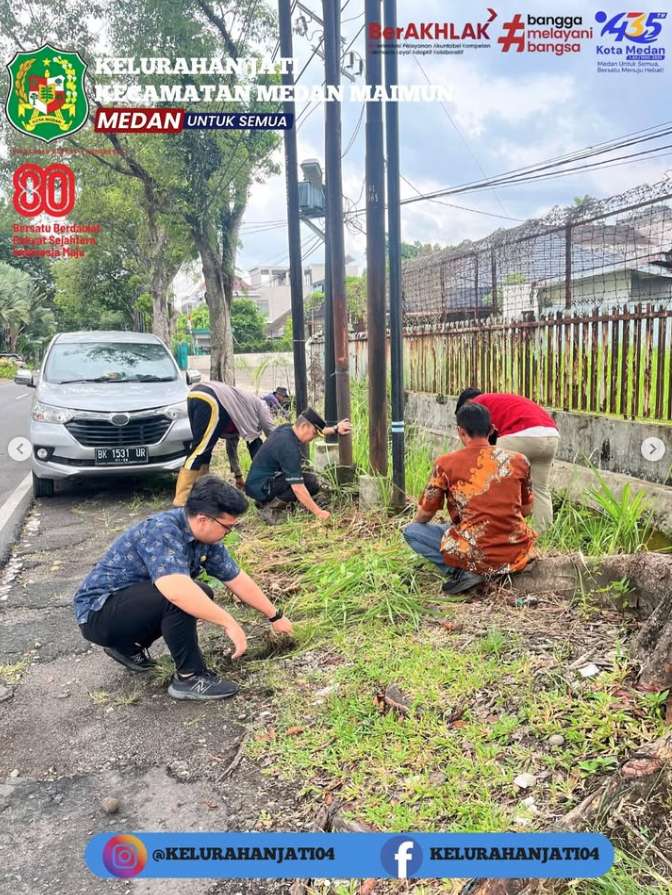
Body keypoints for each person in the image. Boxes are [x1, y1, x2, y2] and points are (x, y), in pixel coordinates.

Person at [74, 476, 294, 701]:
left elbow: (236, 578)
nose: (228, 533)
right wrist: (229, 622)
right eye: (227, 527)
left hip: (126, 607)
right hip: (97, 614)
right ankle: (190, 677)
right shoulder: (161, 531)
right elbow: (176, 591)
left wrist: (275, 616)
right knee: (181, 596)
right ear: (203, 519)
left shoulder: (206, 539)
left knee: (201, 593)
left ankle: (127, 646)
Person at [403, 403, 537, 595]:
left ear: (460, 431)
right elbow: (526, 510)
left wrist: (415, 522)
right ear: (491, 429)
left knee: (412, 532)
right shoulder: (519, 460)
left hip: (475, 552)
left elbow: (426, 513)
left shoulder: (446, 463)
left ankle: (462, 571)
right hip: (516, 551)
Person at [455, 389, 560, 531]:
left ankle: (495, 532)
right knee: (541, 488)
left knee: (495, 484)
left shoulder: (475, 407)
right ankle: (544, 536)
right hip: (551, 434)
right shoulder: (499, 401)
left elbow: (476, 444)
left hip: (521, 434)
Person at [245, 408, 352, 524]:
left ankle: (264, 501)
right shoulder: (289, 448)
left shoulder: (286, 429)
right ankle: (271, 509)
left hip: (256, 484)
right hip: (262, 487)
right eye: (314, 434)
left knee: (305, 475)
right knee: (309, 482)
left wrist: (335, 429)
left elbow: (316, 430)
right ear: (304, 426)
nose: (313, 438)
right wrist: (319, 513)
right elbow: (298, 488)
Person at [174, 382, 276, 505]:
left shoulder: (239, 414)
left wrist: (238, 476)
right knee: (199, 450)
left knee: (205, 450)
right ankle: (181, 500)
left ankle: (198, 496)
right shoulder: (262, 405)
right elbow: (272, 433)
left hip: (196, 394)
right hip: (212, 398)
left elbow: (231, 445)